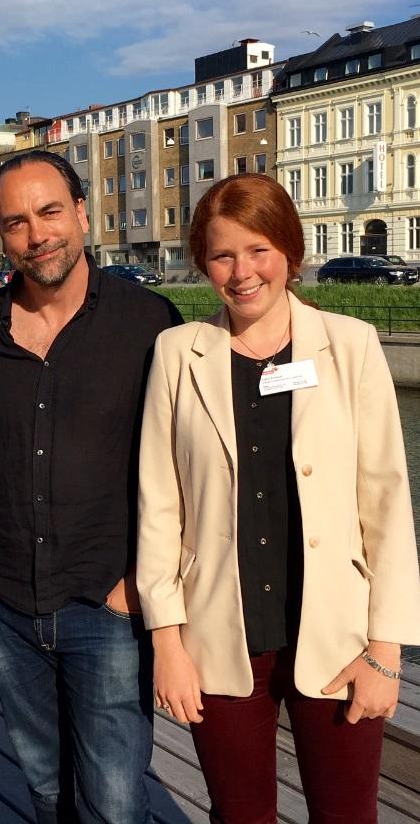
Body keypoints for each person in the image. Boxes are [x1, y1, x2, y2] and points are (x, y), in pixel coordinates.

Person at [136, 173, 420, 822]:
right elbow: (158, 504)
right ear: (202, 263)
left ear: (289, 251)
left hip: (340, 633)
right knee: (238, 814)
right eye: (221, 254)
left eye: (257, 248)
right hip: (217, 634)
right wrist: (167, 643)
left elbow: (385, 498)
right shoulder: (177, 353)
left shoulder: (348, 345)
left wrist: (386, 649)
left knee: (346, 813)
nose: (241, 271)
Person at [0, 150, 183, 823]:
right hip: (2, 600)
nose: (36, 234)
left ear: (79, 213)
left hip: (108, 603)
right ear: (1, 235)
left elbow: (184, 469)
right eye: (15, 221)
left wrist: (139, 583)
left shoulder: (148, 322)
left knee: (115, 798)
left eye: (48, 212)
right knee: (45, 786)